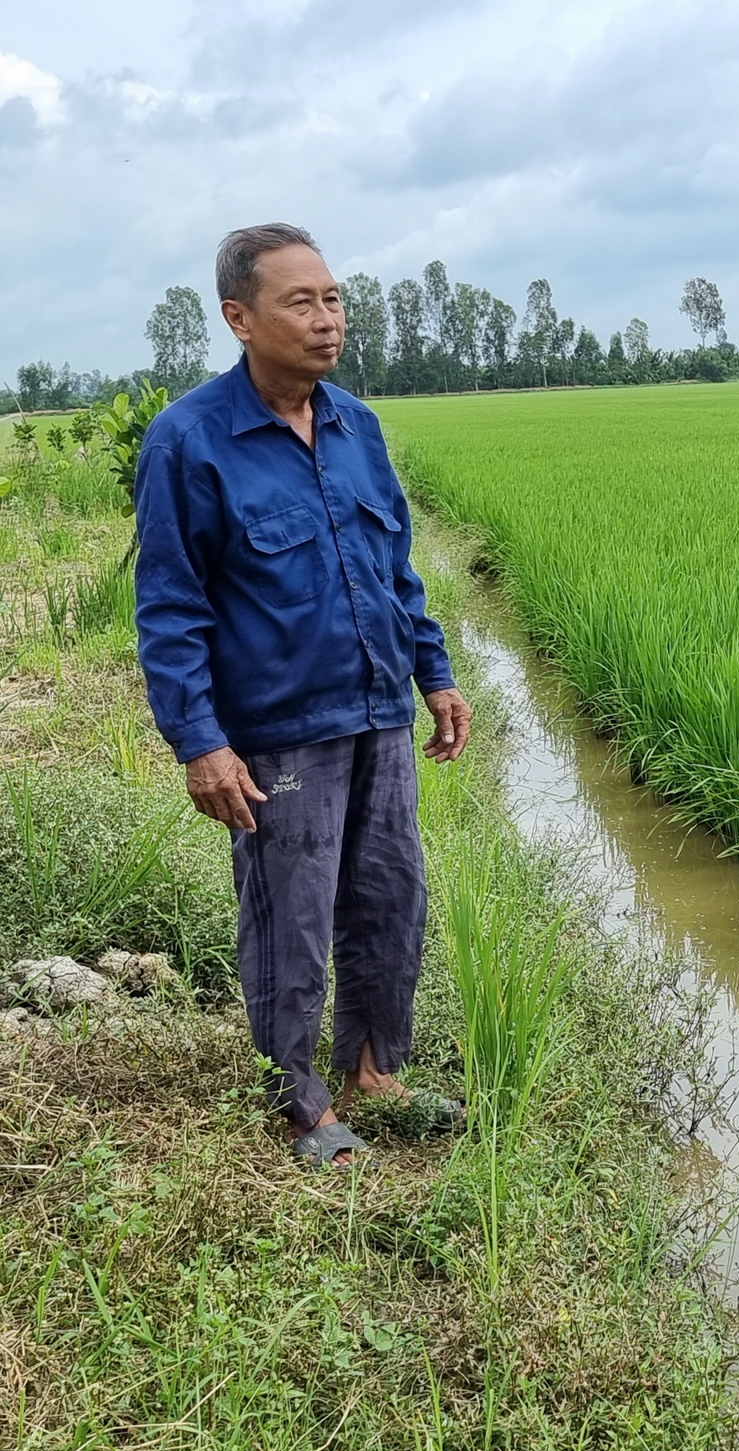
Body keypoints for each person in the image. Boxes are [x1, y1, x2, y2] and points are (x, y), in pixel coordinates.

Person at [134, 223, 472, 1169]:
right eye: (302, 302)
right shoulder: (189, 442)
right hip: (280, 733)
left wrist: (433, 672)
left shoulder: (357, 425)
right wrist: (200, 742)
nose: (329, 321)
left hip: (378, 713)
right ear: (240, 318)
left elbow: (394, 568)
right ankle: (299, 1102)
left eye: (333, 299)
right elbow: (169, 605)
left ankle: (373, 1068)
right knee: (294, 914)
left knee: (389, 898)